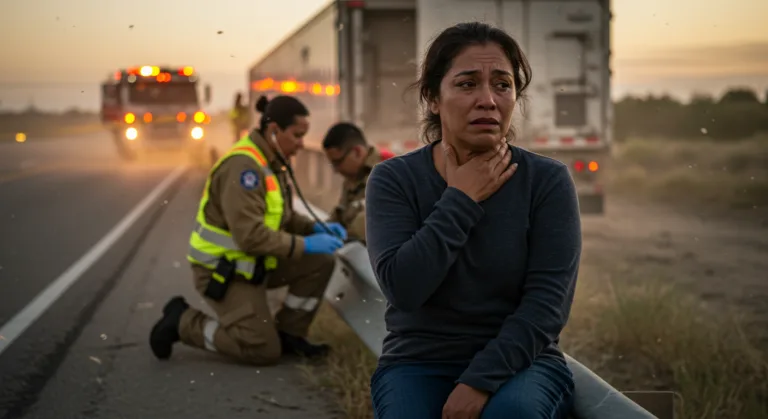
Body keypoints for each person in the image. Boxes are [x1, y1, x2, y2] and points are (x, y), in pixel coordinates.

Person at [365, 22, 580, 419]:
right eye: (467, 84)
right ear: (432, 98)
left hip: (523, 363)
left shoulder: (546, 181)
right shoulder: (395, 179)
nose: (488, 100)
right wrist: (460, 199)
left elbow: (547, 305)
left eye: (502, 85)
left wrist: (478, 381)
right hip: (418, 361)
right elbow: (404, 288)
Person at [150, 94, 348, 365]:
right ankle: (183, 321)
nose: (302, 144)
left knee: (320, 261)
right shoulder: (244, 169)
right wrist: (306, 244)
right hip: (224, 271)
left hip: (255, 263)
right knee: (262, 350)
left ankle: (290, 335)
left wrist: (315, 227)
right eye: (297, 135)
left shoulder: (272, 163)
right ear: (274, 131)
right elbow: (250, 237)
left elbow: (283, 217)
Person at [322, 122, 388, 244]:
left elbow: (367, 225)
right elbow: (342, 214)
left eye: (338, 162)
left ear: (357, 152)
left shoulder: (388, 174)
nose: (336, 170)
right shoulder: (353, 177)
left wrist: (340, 239)